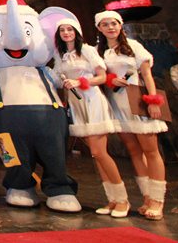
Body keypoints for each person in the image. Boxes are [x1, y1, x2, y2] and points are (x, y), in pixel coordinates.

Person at [96, 10, 167, 221]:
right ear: (99, 28)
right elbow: (99, 76)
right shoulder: (99, 52)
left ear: (120, 25)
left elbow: (147, 75)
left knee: (151, 150)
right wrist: (110, 79)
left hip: (137, 99)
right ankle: (146, 197)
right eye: (106, 24)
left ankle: (157, 200)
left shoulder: (133, 47)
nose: (111, 27)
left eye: (114, 23)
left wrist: (153, 101)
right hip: (117, 104)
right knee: (134, 150)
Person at [52, 17, 127, 217]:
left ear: (76, 31)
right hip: (76, 105)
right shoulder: (61, 55)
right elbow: (58, 78)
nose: (66, 33)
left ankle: (122, 200)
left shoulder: (87, 50)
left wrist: (80, 82)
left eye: (70, 29)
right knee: (95, 155)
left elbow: (102, 77)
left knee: (99, 151)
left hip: (92, 101)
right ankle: (112, 200)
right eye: (62, 30)